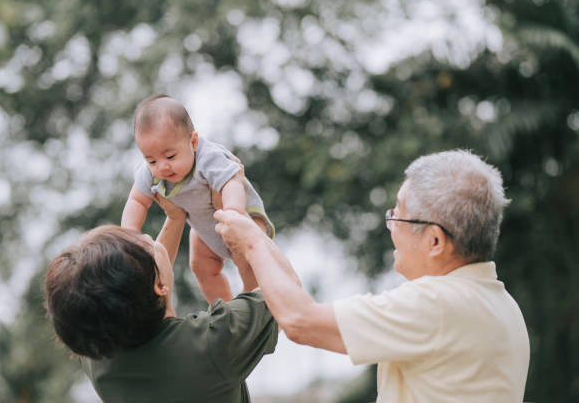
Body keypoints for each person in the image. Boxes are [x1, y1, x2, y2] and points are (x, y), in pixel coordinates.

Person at [214, 149, 530, 403]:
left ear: (435, 241)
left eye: (398, 215)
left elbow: (300, 321)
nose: (391, 225)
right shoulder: (501, 305)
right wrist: (258, 242)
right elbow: (297, 306)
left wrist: (253, 242)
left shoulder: (436, 304)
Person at [45, 195, 279, 403]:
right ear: (158, 286)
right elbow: (279, 294)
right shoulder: (213, 342)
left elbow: (144, 284)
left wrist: (175, 218)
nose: (148, 236)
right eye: (143, 243)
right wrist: (250, 240)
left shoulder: (98, 354)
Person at [121, 94, 274, 303]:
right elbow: (137, 201)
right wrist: (129, 236)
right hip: (203, 227)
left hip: (241, 215)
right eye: (151, 160)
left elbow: (232, 182)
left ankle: (254, 301)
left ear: (193, 142)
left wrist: (233, 214)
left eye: (171, 156)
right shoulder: (149, 173)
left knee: (247, 259)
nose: (162, 167)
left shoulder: (208, 157)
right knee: (200, 266)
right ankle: (225, 308)